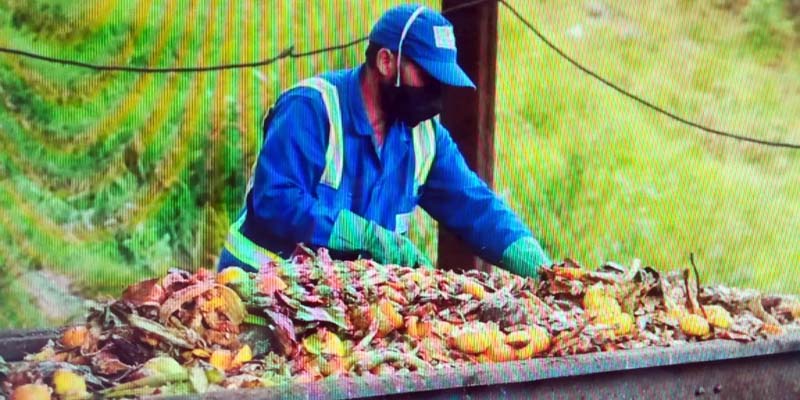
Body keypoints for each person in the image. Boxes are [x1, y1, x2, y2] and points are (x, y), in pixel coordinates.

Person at [217, 4, 551, 278]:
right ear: (386, 61)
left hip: (334, 311)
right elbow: (275, 200)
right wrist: (369, 239)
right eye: (426, 76)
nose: (436, 93)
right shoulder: (312, 109)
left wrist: (542, 269)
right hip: (259, 296)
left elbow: (476, 206)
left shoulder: (424, 137)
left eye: (443, 82)